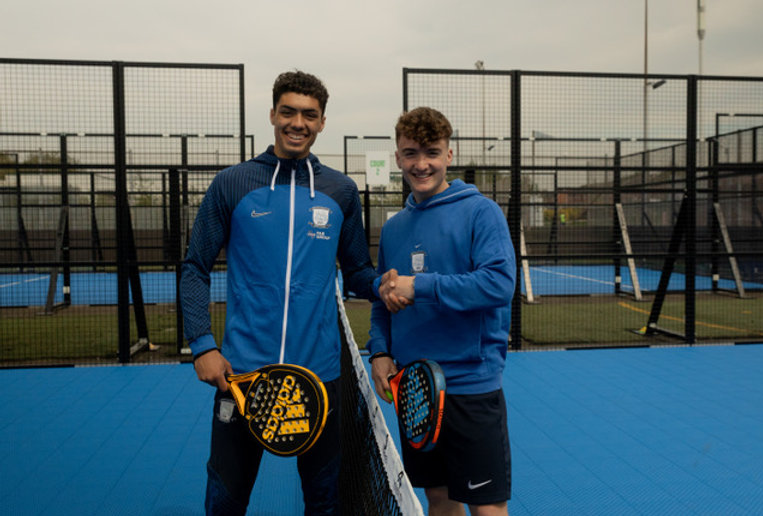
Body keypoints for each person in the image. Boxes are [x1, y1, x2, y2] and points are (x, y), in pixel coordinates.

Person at [181, 70, 386, 516]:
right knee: (225, 499)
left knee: (325, 502)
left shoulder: (342, 191)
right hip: (241, 376)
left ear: (323, 122)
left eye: (309, 115)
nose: (298, 123)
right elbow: (195, 267)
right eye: (289, 112)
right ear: (272, 114)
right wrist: (202, 345)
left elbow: (357, 273)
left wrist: (384, 286)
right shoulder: (232, 183)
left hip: (321, 378)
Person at [367, 107, 516, 516]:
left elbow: (499, 284)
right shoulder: (395, 227)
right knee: (437, 499)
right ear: (397, 157)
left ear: (449, 155)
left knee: (486, 507)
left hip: (470, 385)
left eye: (431, 152)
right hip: (416, 389)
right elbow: (384, 297)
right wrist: (379, 352)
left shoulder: (480, 212)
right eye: (411, 153)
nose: (421, 164)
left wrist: (421, 286)